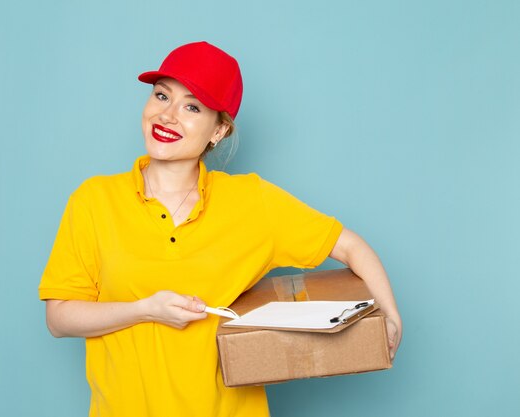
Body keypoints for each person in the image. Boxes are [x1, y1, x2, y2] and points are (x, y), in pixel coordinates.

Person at [39, 41, 402, 417]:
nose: (168, 115)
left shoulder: (250, 202)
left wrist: (390, 318)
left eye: (192, 107)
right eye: (162, 96)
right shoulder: (94, 200)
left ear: (218, 131)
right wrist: (145, 310)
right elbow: (59, 318)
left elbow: (351, 248)